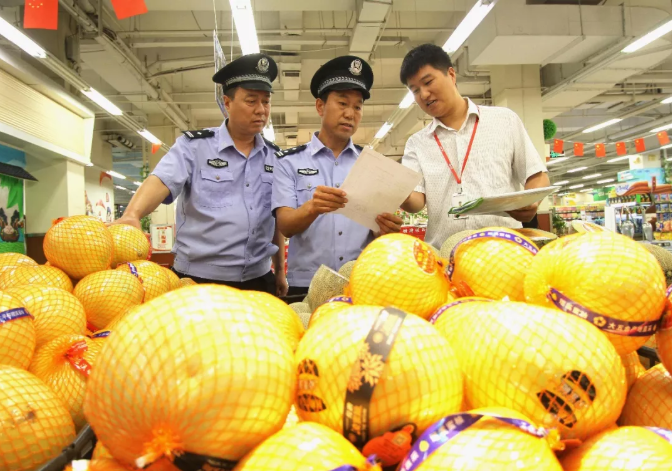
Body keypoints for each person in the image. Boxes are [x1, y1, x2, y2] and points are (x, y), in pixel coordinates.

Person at [112, 53, 288, 296]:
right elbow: (161, 180)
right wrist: (132, 214)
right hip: (198, 281)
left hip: (258, 280)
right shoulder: (194, 147)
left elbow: (277, 217)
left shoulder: (275, 157)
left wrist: (279, 271)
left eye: (266, 102)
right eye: (251, 101)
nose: (261, 110)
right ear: (227, 103)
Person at [272, 56, 403, 296]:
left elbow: (376, 232)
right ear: (320, 106)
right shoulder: (288, 162)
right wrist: (312, 207)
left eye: (357, 107)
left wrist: (384, 230)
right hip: (307, 284)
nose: (350, 114)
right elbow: (285, 226)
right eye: (342, 103)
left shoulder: (372, 164)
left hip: (361, 281)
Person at [399, 44, 550, 249]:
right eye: (415, 90)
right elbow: (416, 202)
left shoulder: (504, 120)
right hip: (445, 255)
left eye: (428, 82)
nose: (424, 94)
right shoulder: (417, 143)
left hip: (504, 250)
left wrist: (531, 201)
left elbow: (537, 175)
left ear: (451, 75)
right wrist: (395, 190)